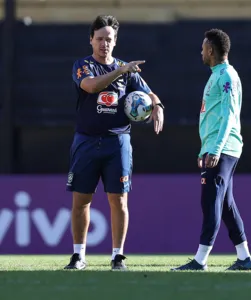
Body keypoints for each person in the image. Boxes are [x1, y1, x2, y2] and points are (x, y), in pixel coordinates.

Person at [64, 15, 164, 271]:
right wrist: (119, 71)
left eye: (109, 39)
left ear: (115, 41)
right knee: (81, 201)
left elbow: (148, 92)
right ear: (91, 40)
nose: (104, 44)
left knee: (119, 201)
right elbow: (91, 86)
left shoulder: (127, 70)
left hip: (117, 142)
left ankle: (117, 256)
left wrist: (157, 104)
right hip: (86, 141)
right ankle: (78, 255)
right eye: (99, 39)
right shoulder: (83, 65)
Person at [172, 29, 251, 271]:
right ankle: (244, 258)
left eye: (203, 47)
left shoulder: (226, 75)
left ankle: (200, 260)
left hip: (224, 148)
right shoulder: (218, 74)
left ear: (210, 50)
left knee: (210, 201)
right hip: (218, 147)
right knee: (226, 204)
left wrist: (216, 149)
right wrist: (204, 149)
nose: (201, 51)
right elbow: (214, 116)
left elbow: (229, 115)